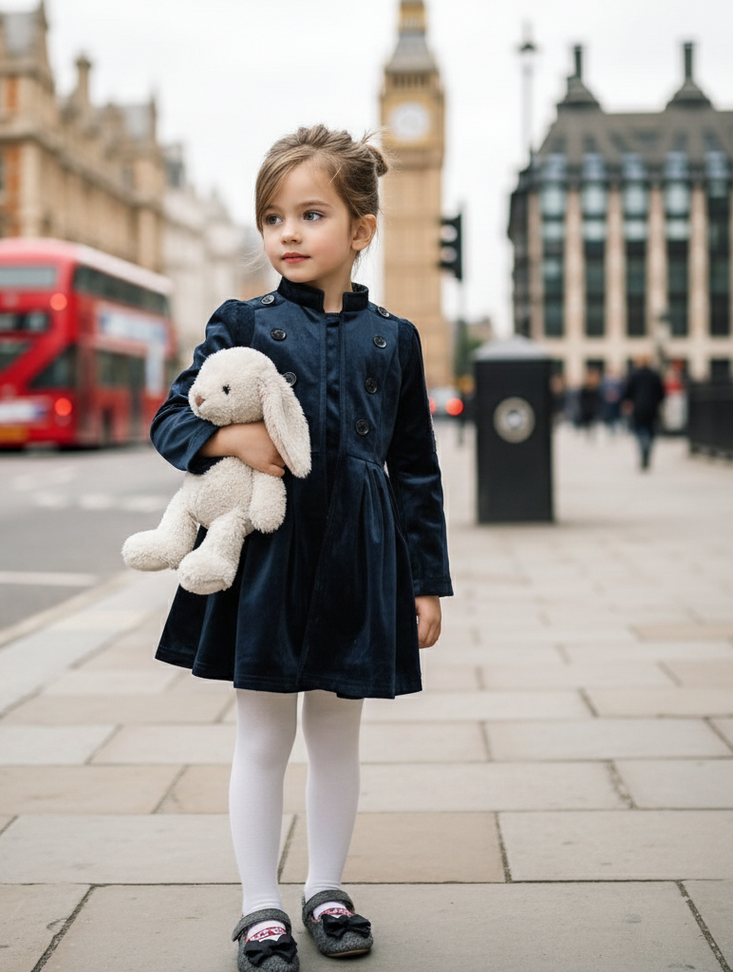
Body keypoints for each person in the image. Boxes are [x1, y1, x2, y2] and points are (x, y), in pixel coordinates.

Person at [149, 125, 452, 971]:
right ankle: (260, 907)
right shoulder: (241, 322)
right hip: (268, 561)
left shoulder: (396, 338)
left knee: (337, 738)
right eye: (271, 216)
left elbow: (417, 469)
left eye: (310, 214)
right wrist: (230, 447)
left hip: (358, 558)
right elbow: (173, 416)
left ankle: (325, 887)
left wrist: (426, 585)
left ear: (361, 229)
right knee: (260, 738)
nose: (286, 232)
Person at [621, 355, 666, 470]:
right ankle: (647, 452)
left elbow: (627, 393)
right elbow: (662, 393)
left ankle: (643, 450)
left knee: (639, 431)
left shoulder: (634, 375)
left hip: (638, 408)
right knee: (651, 432)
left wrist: (629, 402)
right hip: (652, 408)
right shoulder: (655, 375)